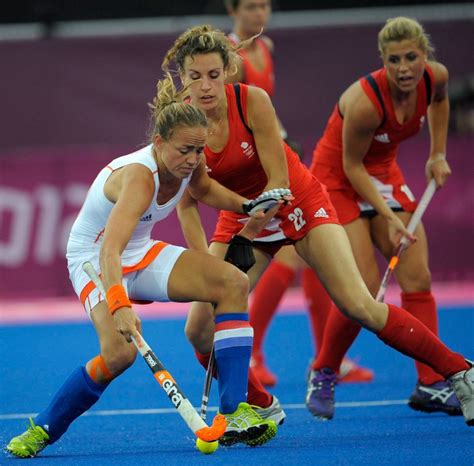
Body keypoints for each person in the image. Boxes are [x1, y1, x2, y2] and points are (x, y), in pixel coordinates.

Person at [163, 24, 474, 429]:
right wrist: (207, 262)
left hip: (297, 203)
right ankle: (262, 404)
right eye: (194, 76)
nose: (204, 87)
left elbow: (279, 179)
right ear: (181, 78)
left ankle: (459, 372)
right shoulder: (182, 119)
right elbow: (188, 202)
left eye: (213, 75)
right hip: (243, 218)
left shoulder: (252, 102)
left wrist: (254, 224)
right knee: (200, 332)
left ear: (228, 72)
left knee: (358, 305)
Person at [5, 74, 287, 458]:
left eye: (199, 151)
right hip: (94, 258)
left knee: (231, 282)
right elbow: (110, 252)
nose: (193, 160)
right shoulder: (139, 177)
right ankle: (43, 429)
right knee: (120, 355)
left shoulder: (191, 163)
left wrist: (246, 206)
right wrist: (119, 304)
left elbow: (203, 189)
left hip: (140, 251)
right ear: (158, 143)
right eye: (185, 151)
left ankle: (235, 412)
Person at [304, 16, 464, 420]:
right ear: (382, 61)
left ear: (425, 55)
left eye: (412, 57)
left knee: (418, 277)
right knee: (363, 290)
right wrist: (388, 218)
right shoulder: (364, 102)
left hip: (383, 174)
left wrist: (438, 154)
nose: (404, 68)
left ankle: (430, 383)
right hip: (336, 179)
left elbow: (441, 101)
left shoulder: (434, 77)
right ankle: (323, 370)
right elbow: (352, 167)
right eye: (394, 60)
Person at [224, 0, 373, 387]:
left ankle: (324, 357)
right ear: (232, 9)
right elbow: (238, 118)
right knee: (291, 260)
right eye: (251, 6)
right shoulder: (231, 58)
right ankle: (271, 355)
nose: (260, 13)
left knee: (300, 261)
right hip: (255, 173)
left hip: (276, 159)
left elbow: (265, 112)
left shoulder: (266, 48)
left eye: (264, 5)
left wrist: (282, 140)